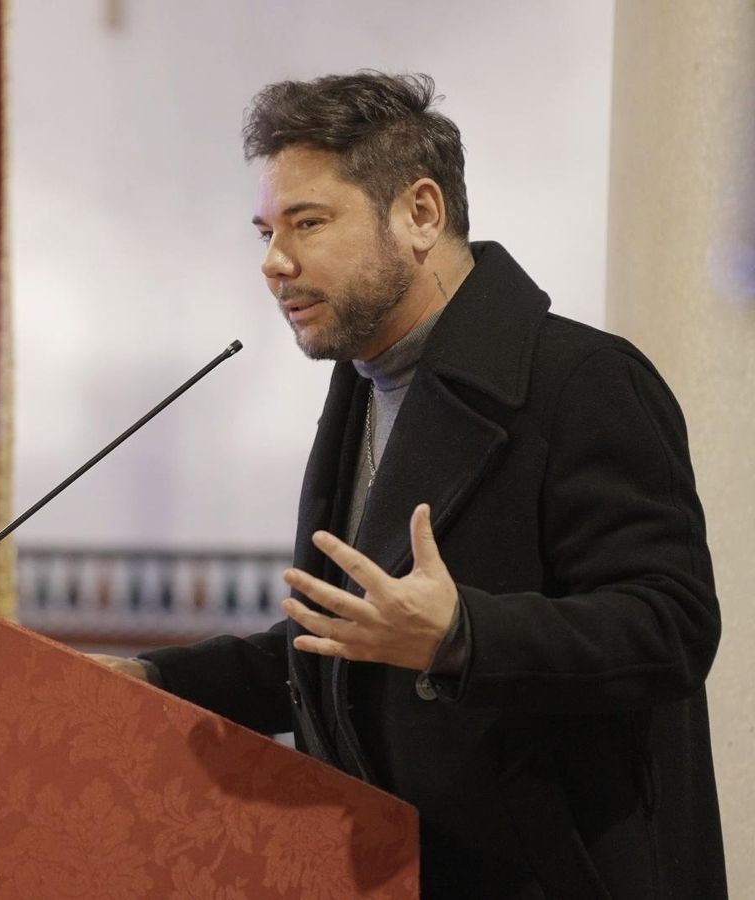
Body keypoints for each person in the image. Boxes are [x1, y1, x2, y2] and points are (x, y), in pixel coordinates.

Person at [94, 71, 725, 898]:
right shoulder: (363, 381)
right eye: (265, 232)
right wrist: (158, 681)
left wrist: (464, 635)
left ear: (420, 214)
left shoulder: (583, 381)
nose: (275, 262)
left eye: (308, 224)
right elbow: (347, 643)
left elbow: (671, 628)